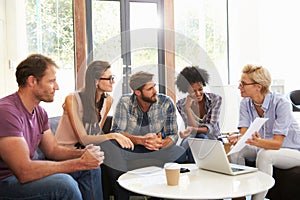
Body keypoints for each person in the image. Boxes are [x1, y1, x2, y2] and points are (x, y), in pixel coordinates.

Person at [0, 54, 104, 200]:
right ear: (32, 81)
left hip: (22, 175)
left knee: (91, 168)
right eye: (51, 81)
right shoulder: (6, 111)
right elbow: (24, 171)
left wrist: (84, 154)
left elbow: (53, 150)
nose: (57, 87)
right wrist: (79, 163)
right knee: (64, 185)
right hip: (6, 182)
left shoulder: (40, 112)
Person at [105, 71, 185, 199]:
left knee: (180, 153)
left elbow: (173, 135)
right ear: (137, 92)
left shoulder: (165, 102)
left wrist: (162, 143)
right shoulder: (125, 102)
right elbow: (116, 132)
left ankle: (160, 195)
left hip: (157, 149)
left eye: (154, 86)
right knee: (112, 147)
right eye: (150, 88)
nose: (155, 91)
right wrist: (141, 140)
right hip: (132, 149)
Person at [228, 64, 300, 200]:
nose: (239, 87)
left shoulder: (281, 103)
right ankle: (239, 197)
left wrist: (254, 141)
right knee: (236, 150)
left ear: (258, 86)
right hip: (264, 145)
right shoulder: (245, 103)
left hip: (293, 150)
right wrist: (239, 138)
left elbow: (277, 144)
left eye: (243, 84)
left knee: (264, 155)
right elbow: (244, 134)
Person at [55, 60, 133, 150]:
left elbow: (96, 134)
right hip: (65, 151)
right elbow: (83, 139)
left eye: (113, 78)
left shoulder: (108, 101)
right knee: (112, 145)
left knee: (115, 147)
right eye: (110, 79)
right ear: (96, 81)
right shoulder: (72, 99)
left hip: (88, 149)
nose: (113, 82)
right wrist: (113, 135)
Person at [176, 66, 222, 162]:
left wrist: (192, 129)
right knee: (180, 153)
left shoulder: (215, 99)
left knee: (200, 139)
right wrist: (187, 108)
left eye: (200, 89)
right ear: (186, 90)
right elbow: (193, 131)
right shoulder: (181, 104)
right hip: (192, 138)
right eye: (193, 91)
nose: (198, 93)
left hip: (212, 139)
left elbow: (209, 129)